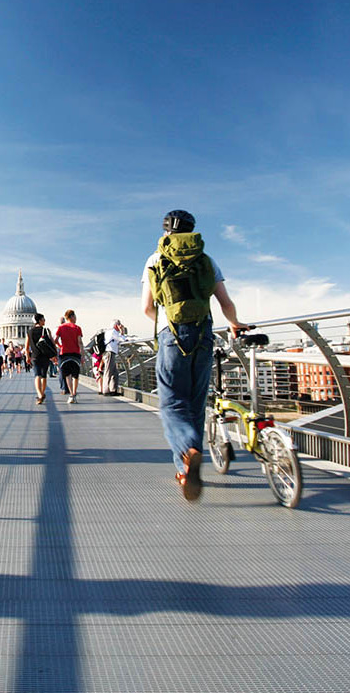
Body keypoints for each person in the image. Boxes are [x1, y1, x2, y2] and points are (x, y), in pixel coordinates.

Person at [143, 209, 247, 502]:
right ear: (192, 231)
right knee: (196, 402)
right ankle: (187, 461)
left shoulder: (155, 259)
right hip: (203, 335)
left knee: (172, 403)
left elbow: (146, 308)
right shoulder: (206, 260)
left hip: (171, 336)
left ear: (166, 232)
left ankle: (187, 453)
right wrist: (235, 323)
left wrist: (164, 321)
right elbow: (226, 303)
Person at [25, 313, 55, 404]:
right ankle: (42, 392)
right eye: (43, 319)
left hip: (35, 356)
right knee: (44, 375)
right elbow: (52, 343)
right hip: (45, 356)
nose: (44, 321)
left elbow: (26, 347)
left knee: (37, 375)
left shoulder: (29, 332)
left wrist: (27, 356)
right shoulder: (46, 330)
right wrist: (54, 355)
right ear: (40, 320)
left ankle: (39, 394)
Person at [55, 310, 84, 404]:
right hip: (75, 354)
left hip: (64, 354)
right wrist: (82, 354)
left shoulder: (61, 327)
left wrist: (61, 346)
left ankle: (71, 394)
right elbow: (80, 342)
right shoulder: (77, 328)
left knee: (68, 375)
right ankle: (74, 393)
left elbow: (55, 340)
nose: (76, 318)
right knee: (75, 375)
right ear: (71, 317)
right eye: (75, 316)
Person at [100, 320, 126, 395]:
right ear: (116, 325)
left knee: (115, 373)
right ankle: (105, 390)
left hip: (109, 353)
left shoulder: (109, 332)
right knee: (108, 372)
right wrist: (122, 331)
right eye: (119, 324)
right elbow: (122, 339)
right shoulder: (113, 332)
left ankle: (113, 390)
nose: (120, 326)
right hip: (109, 353)